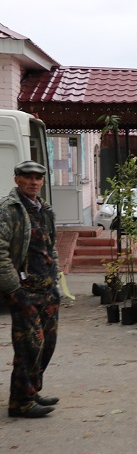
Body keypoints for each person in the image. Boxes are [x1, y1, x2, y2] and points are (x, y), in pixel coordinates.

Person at [0, 161, 60, 418]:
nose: (33, 182)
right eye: (28, 178)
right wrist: (13, 287)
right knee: (29, 346)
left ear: (43, 182)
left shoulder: (44, 209)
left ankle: (32, 391)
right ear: (17, 180)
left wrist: (55, 275)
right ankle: (21, 402)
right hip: (23, 291)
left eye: (38, 178)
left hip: (46, 289)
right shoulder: (9, 209)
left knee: (46, 345)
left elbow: (51, 245)